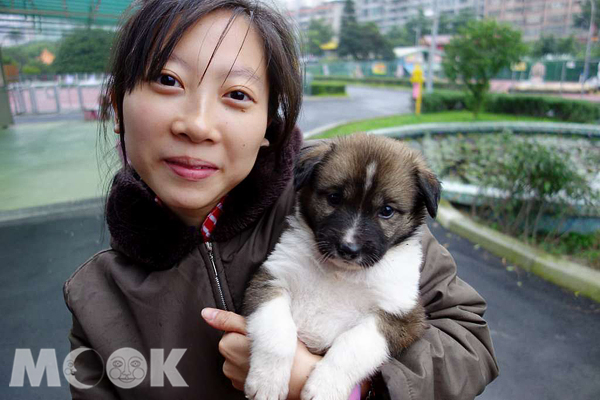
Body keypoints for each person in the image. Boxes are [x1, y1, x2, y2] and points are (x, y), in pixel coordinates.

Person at [63, 0, 499, 399]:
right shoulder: (95, 299)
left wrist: (356, 388)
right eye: (167, 79)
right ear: (116, 104)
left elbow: (469, 343)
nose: (197, 125)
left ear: (270, 122)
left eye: (237, 94)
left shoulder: (338, 204)